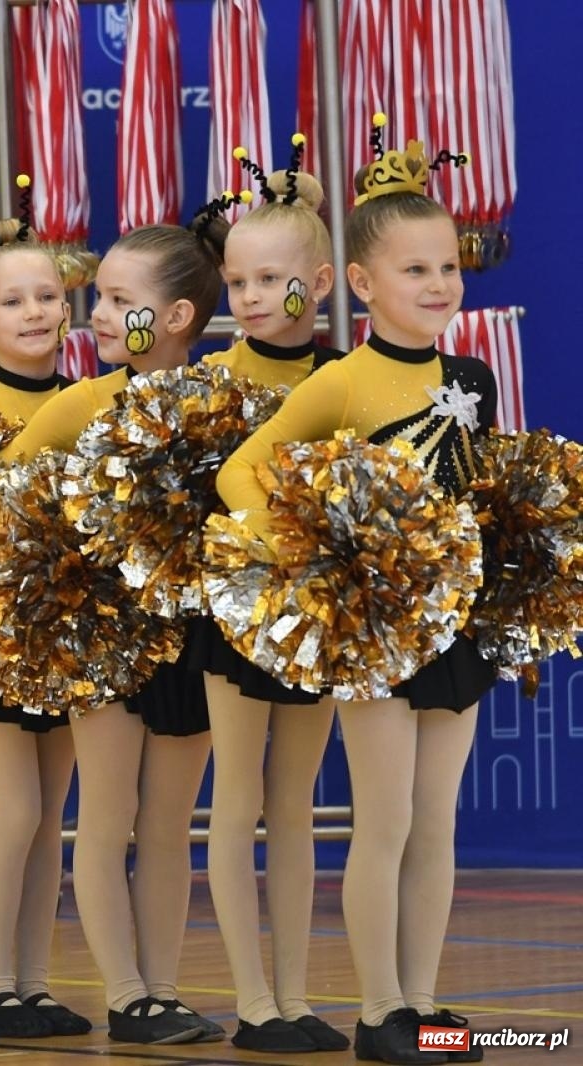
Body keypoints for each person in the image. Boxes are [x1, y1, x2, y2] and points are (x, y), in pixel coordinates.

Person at [218, 118, 495, 1066]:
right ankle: (380, 1011)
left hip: (456, 626)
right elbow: (244, 473)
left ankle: (425, 1003)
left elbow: (476, 493)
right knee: (381, 821)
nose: (440, 285)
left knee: (436, 821)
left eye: (448, 266)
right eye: (416, 270)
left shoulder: (475, 376)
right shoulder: (341, 379)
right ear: (366, 285)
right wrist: (310, 552)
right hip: (374, 632)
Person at [0, 212, 231, 1045]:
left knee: (169, 824)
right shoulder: (80, 402)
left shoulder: (225, 403)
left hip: (190, 638)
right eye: (101, 295)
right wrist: (59, 558)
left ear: (179, 318)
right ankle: (125, 994)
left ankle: (161, 987)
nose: (98, 313)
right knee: (108, 813)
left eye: (120, 300)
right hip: (104, 637)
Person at [198, 141, 350, 1055]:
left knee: (294, 805)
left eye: (271, 280)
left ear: (321, 281)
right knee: (239, 799)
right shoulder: (215, 382)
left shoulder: (346, 380)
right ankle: (252, 1000)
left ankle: (295, 996)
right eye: (237, 280)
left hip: (319, 616)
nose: (251, 298)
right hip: (233, 614)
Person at [0, 205, 89, 1039]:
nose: (35, 312)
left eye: (47, 297)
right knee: (18, 810)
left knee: (53, 810)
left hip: (70, 633)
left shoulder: (87, 403)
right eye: (14, 301)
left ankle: (34, 983)